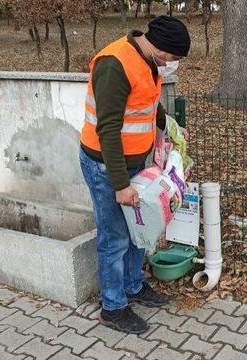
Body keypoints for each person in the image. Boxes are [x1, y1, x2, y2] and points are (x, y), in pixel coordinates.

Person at [78, 16, 190, 334]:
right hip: (105, 166)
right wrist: (121, 184)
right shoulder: (115, 65)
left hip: (135, 162)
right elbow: (109, 129)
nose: (173, 65)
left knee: (139, 231)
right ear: (161, 48)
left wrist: (168, 126)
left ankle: (133, 285)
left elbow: (147, 103)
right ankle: (113, 308)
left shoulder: (148, 61)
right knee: (114, 238)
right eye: (173, 58)